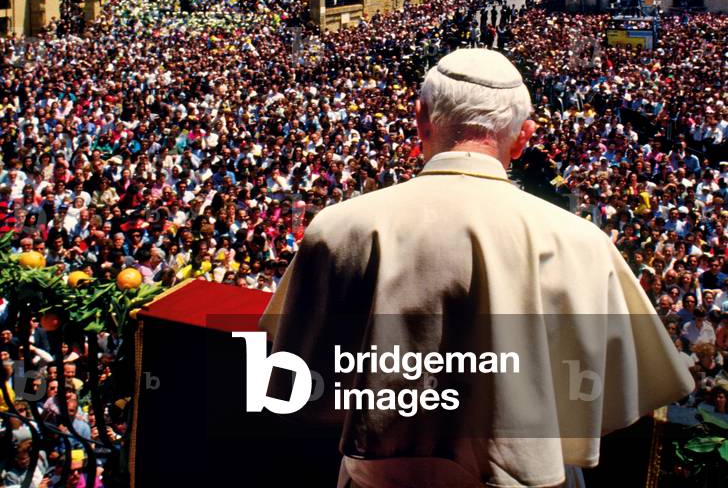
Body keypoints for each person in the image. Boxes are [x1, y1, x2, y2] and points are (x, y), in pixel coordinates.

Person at [261, 48, 694, 488]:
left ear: (420, 118)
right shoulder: (582, 244)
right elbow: (617, 401)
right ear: (524, 137)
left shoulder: (337, 228)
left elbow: (299, 379)